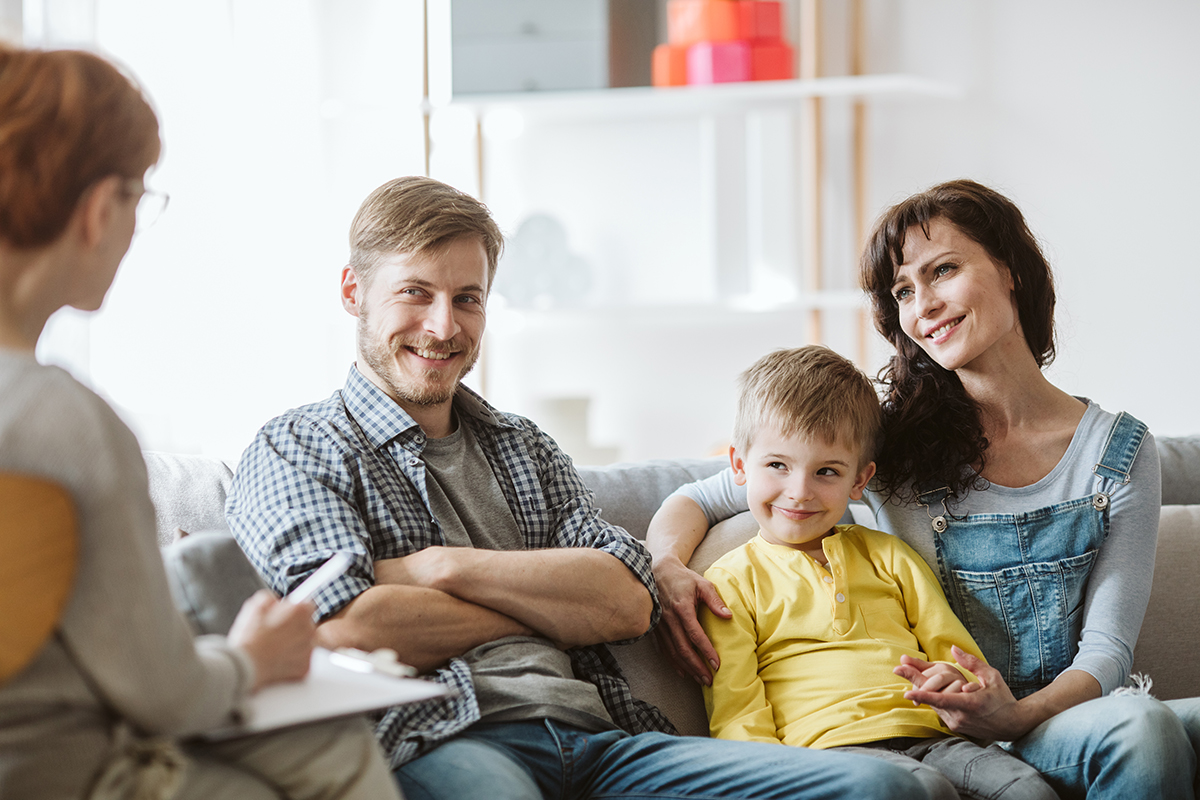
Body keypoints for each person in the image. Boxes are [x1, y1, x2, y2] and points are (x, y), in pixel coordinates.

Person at [225, 175, 932, 800]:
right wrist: (554, 607)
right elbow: (339, 629)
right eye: (415, 293)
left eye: (467, 299)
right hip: (446, 738)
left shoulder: (523, 447)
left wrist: (444, 568)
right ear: (354, 291)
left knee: (881, 786)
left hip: (604, 741)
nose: (444, 326)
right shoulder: (297, 449)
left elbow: (625, 600)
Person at [646, 178, 1200, 799]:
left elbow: (1106, 651)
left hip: (1055, 722)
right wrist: (664, 565)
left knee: (1149, 724)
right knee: (1150, 729)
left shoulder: (1117, 452)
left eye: (943, 271)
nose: (923, 305)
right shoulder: (885, 441)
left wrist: (1014, 715)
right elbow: (701, 496)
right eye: (904, 292)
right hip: (932, 732)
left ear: (1010, 268)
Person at [0, 44, 402, 800]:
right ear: (96, 210)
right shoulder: (66, 423)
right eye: (140, 200)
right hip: (63, 772)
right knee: (336, 752)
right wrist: (252, 656)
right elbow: (165, 694)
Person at [700, 345, 1056, 800]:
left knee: (1027, 789)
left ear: (859, 481)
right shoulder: (729, 581)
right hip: (829, 754)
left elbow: (953, 651)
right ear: (739, 465)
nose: (799, 491)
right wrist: (775, 780)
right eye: (777, 466)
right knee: (923, 790)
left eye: (826, 471)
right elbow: (737, 712)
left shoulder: (889, 556)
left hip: (935, 738)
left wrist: (953, 681)